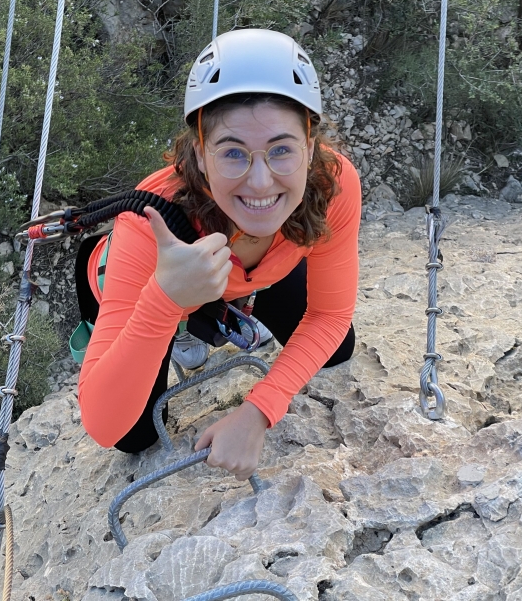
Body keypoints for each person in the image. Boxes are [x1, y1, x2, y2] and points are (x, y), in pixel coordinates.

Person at [75, 29, 361, 481]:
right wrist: (164, 302)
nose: (262, 182)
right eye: (233, 153)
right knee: (135, 436)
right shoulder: (150, 224)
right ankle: (186, 327)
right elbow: (103, 423)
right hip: (143, 277)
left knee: (336, 351)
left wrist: (258, 411)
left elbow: (330, 316)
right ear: (201, 155)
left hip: (245, 276)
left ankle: (222, 309)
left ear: (310, 148)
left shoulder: (332, 185)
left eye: (282, 149)